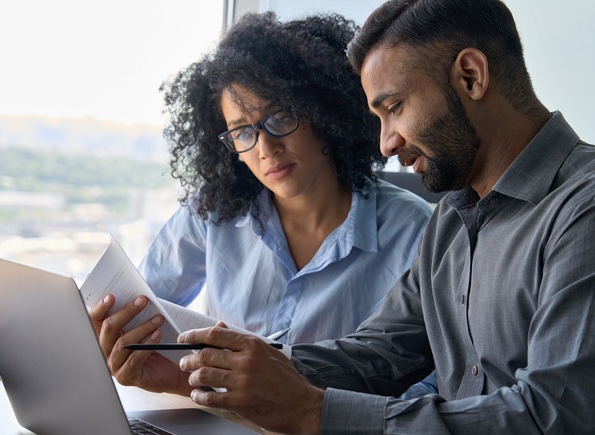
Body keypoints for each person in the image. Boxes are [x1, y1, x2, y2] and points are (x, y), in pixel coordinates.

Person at [93, 0, 595, 435]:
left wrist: (316, 414)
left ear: (471, 76)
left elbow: (553, 421)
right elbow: (375, 356)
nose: (385, 143)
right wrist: (204, 376)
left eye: (394, 108)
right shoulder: (454, 221)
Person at [102, 11, 436, 393]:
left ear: (324, 114)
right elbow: (144, 311)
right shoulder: (212, 212)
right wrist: (120, 338)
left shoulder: (414, 231)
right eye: (242, 132)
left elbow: (433, 387)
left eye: (280, 117)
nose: (265, 148)